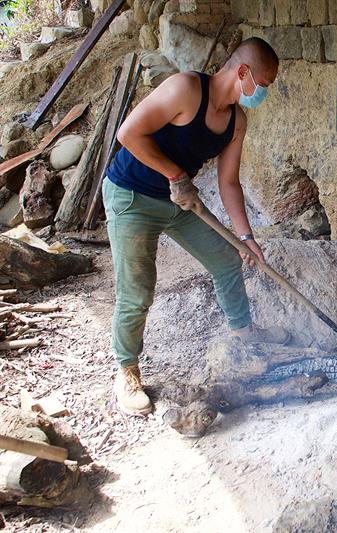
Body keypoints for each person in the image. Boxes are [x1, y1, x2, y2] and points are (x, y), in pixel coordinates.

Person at [103, 37, 292, 416]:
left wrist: (245, 237)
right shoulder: (186, 89)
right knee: (137, 289)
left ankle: (243, 334)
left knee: (226, 259)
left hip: (179, 202)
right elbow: (128, 134)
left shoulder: (237, 120)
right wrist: (175, 174)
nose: (264, 93)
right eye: (264, 84)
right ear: (243, 73)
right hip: (132, 196)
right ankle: (126, 370)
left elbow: (228, 183)